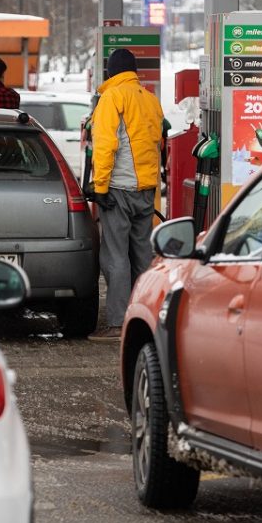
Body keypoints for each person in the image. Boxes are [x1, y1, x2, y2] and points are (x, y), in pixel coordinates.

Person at [88, 48, 163, 341]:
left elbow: (106, 146)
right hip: (145, 189)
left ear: (110, 72)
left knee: (115, 256)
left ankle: (118, 323)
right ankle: (145, 317)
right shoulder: (150, 100)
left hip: (118, 188)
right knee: (142, 253)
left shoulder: (113, 97)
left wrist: (101, 187)